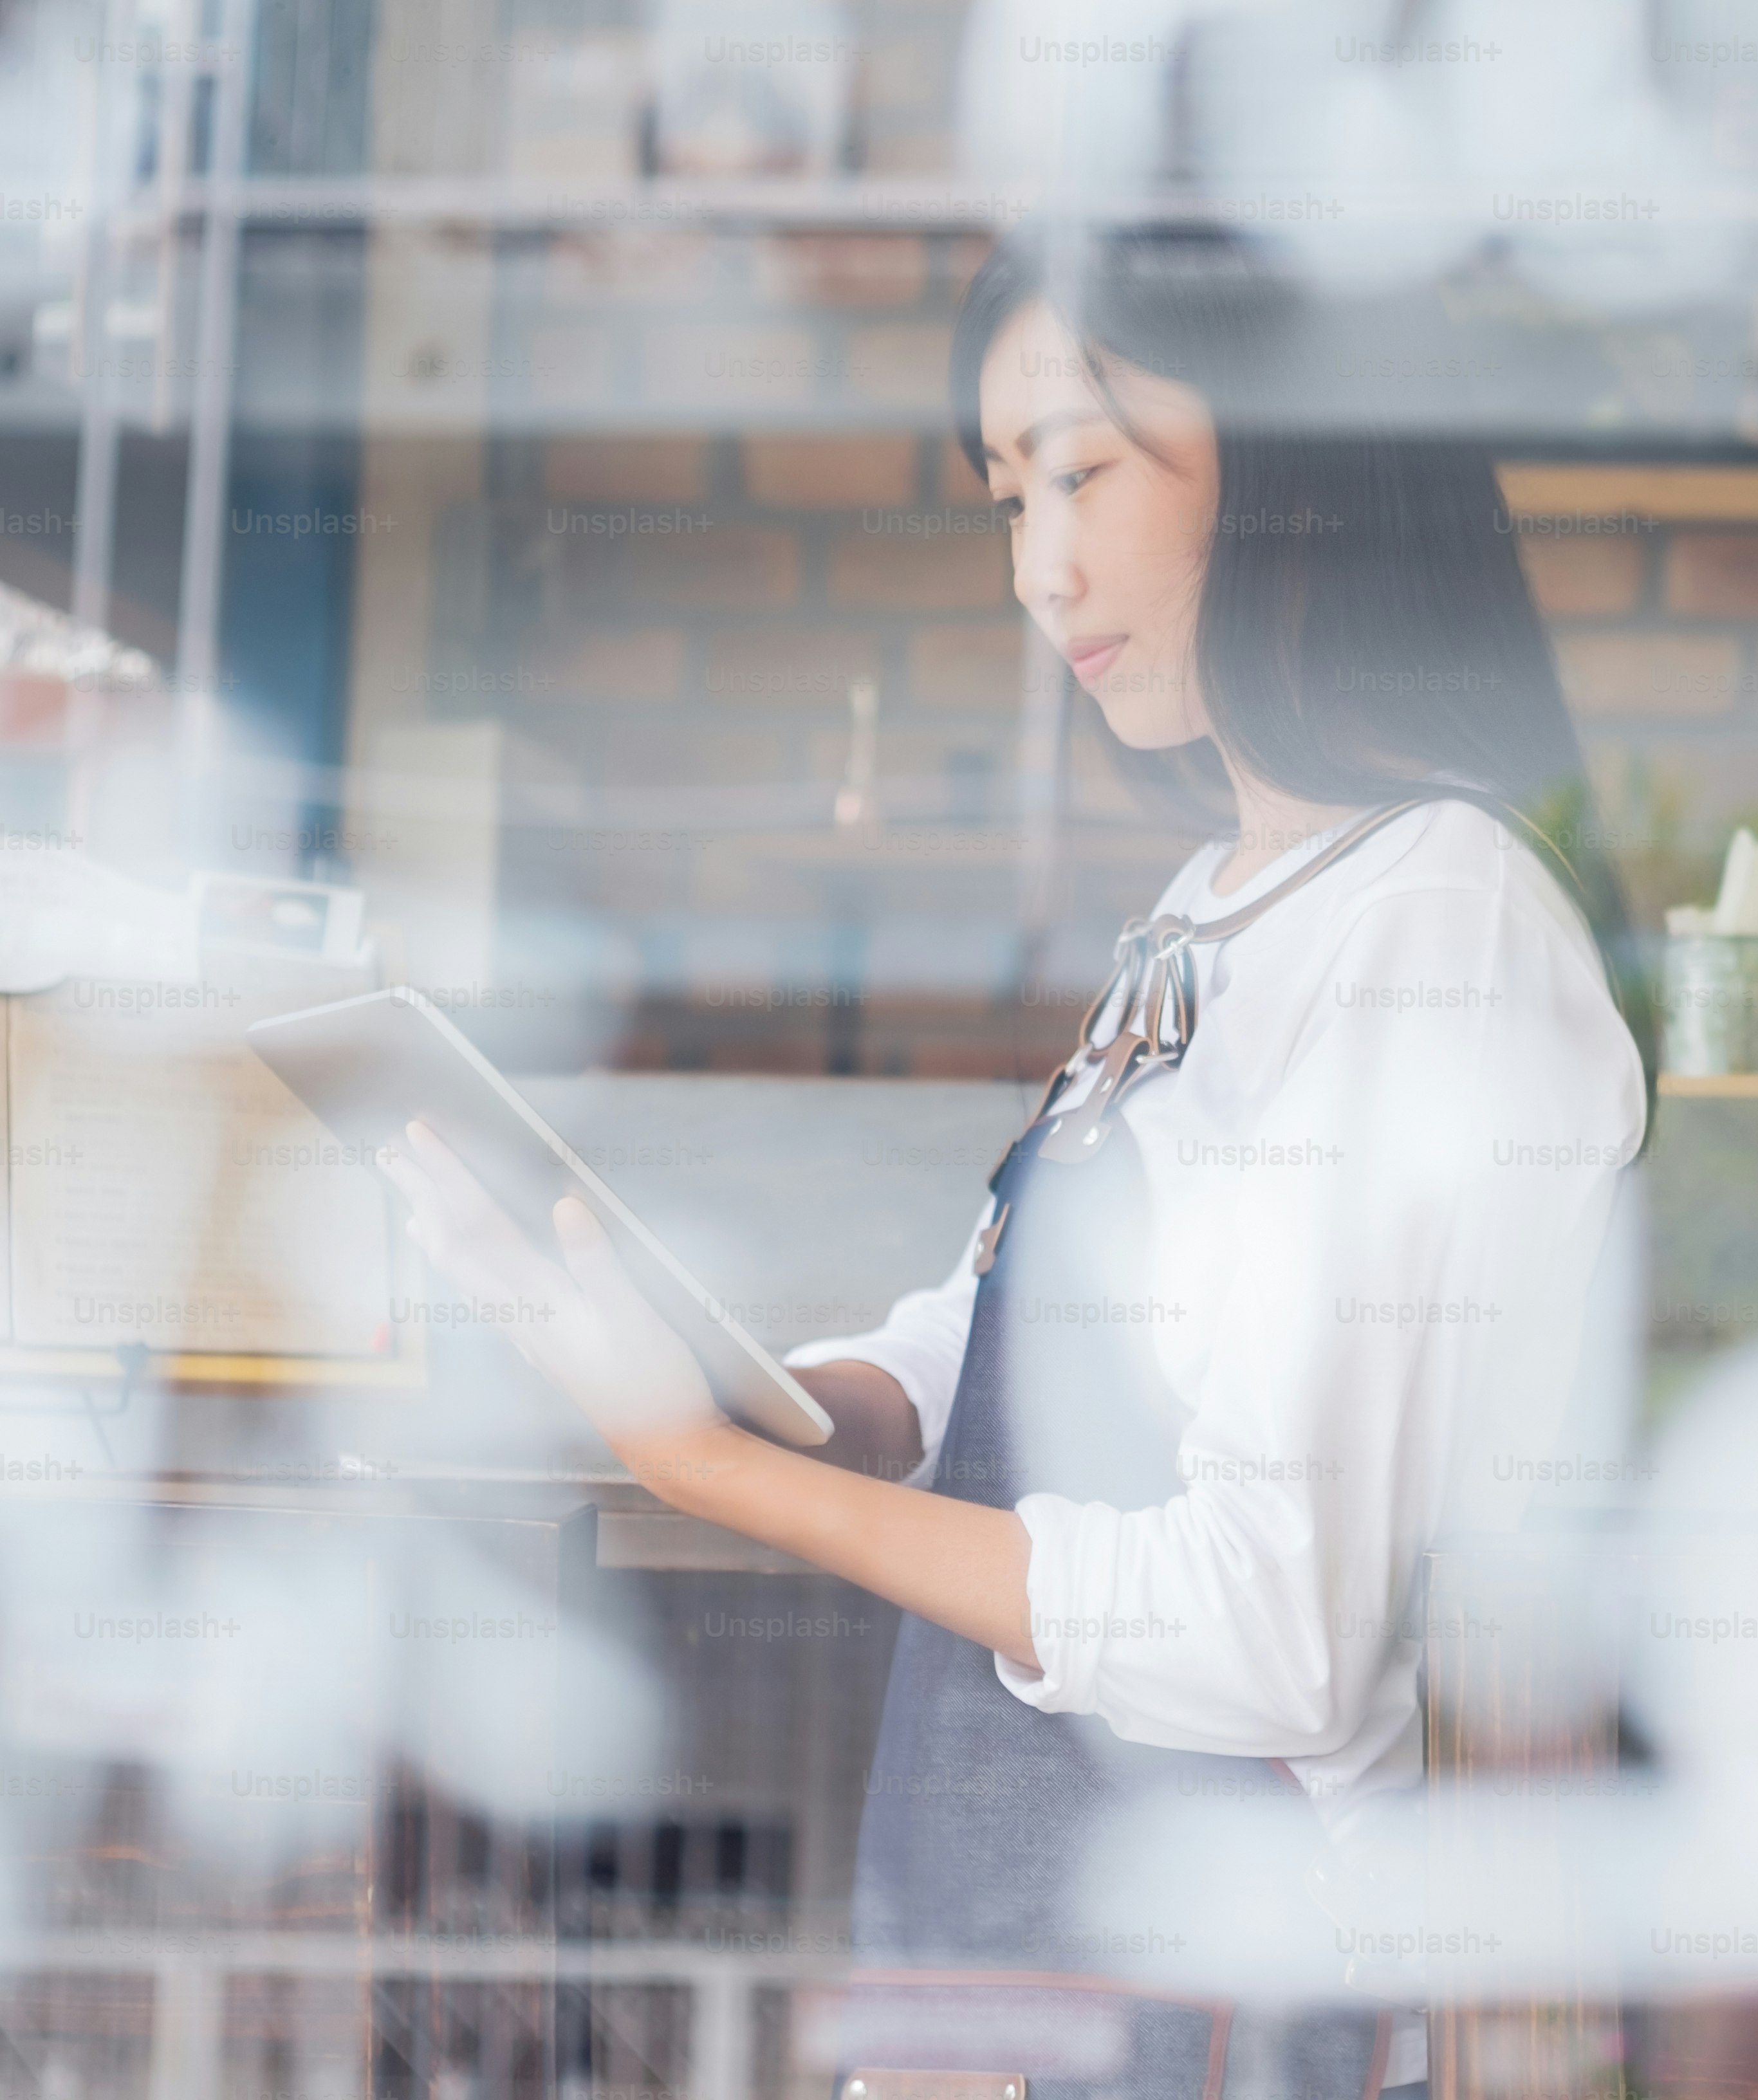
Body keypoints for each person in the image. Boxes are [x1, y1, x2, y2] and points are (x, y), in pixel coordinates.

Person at [384, 220, 1650, 2100]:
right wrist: (762, 1393)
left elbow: (1270, 1630)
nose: (1040, 566)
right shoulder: (1220, 904)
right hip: (1025, 1986)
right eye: (1003, 497)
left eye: (1083, 469)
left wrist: (724, 1479)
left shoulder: (1439, 923)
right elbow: (1008, 1358)